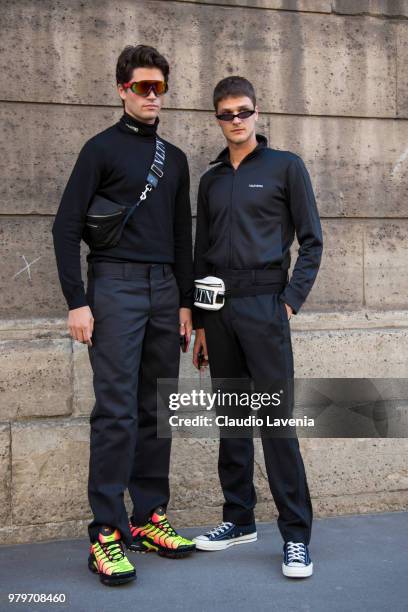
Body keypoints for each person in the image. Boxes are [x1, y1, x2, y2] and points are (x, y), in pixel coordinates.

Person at [52, 44, 196, 587]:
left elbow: (184, 236)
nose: (152, 96)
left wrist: (184, 302)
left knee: (157, 407)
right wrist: (77, 300)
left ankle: (150, 517)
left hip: (164, 290)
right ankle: (107, 534)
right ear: (122, 90)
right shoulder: (99, 150)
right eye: (142, 87)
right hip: (112, 287)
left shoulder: (176, 159)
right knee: (115, 412)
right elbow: (65, 228)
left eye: (159, 87)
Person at [192, 76, 323, 578]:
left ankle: (295, 536)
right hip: (219, 308)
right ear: (217, 118)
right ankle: (238, 518)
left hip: (266, 305)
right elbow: (203, 252)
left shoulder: (286, 167)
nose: (236, 121)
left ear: (257, 112)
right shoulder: (211, 180)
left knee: (274, 422)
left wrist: (289, 302)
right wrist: (203, 321)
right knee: (233, 420)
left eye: (243, 111)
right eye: (226, 114)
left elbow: (312, 241)